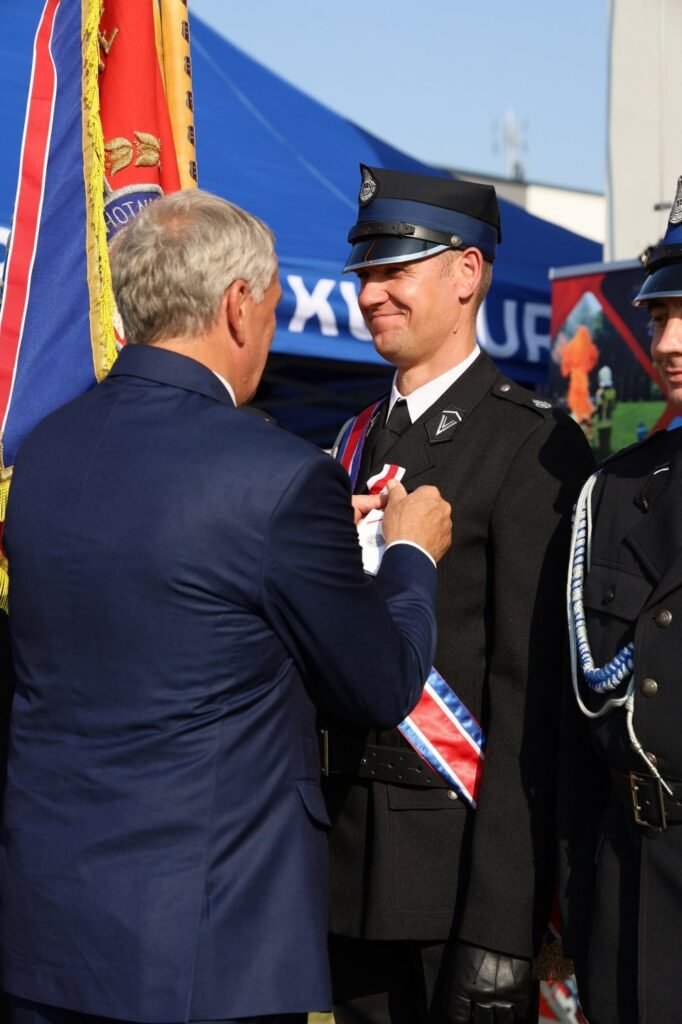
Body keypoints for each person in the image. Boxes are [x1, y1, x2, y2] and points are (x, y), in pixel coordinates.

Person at [0, 189, 453, 1024]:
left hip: (48, 931)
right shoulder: (279, 476)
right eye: (274, 309)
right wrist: (410, 555)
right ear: (238, 305)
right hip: (205, 949)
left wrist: (310, 540)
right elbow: (382, 682)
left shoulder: (45, 452)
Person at [320, 165, 595, 1024]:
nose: (371, 294)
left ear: (467, 273)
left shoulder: (531, 446)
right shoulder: (351, 440)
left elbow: (528, 703)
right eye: (365, 273)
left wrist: (503, 924)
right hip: (340, 867)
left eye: (394, 270)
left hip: (455, 878)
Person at [559, 176, 682, 1024]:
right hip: (630, 902)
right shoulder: (614, 490)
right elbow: (577, 737)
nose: (667, 343)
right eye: (659, 316)